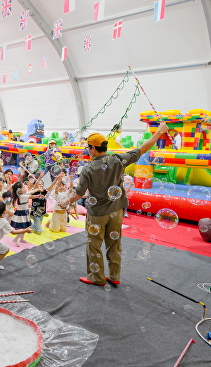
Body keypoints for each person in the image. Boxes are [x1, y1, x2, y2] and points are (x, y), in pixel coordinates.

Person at [66, 122, 169, 286]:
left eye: (88, 147)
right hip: (116, 212)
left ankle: (97, 278)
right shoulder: (118, 160)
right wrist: (158, 132)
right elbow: (143, 148)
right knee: (115, 244)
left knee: (94, 246)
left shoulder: (88, 169)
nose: (87, 150)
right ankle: (114, 276)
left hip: (97, 214)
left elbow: (79, 193)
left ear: (93, 148)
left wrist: (65, 201)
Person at [10, 181, 39, 246]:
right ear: (19, 191)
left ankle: (21, 239)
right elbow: (31, 196)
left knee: (25, 227)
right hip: (21, 214)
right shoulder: (22, 196)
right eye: (23, 187)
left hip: (24, 213)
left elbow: (30, 192)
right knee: (24, 228)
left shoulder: (22, 195)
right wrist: (38, 196)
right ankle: (15, 239)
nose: (25, 188)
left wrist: (37, 189)